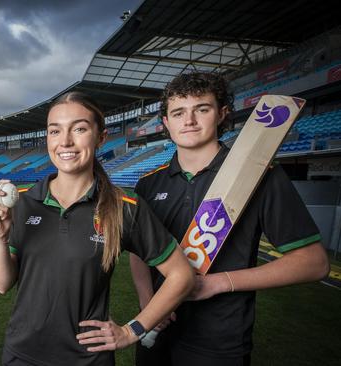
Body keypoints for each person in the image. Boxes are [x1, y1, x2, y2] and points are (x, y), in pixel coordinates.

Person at [130, 72, 330, 366]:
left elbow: (314, 262)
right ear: (166, 123)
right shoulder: (148, 184)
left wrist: (219, 283)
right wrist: (148, 302)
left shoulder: (261, 177)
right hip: (157, 328)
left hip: (219, 343)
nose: (189, 121)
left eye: (202, 109)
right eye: (178, 112)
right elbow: (139, 250)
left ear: (222, 114)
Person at [0, 91, 195, 365]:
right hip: (21, 354)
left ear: (101, 137)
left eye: (80, 128)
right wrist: (0, 238)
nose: (65, 142)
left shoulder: (125, 206)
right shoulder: (23, 201)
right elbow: (2, 284)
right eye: (54, 131)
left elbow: (182, 275)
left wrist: (132, 330)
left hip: (88, 359)